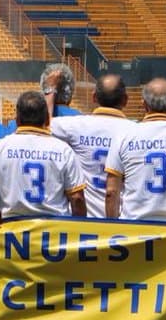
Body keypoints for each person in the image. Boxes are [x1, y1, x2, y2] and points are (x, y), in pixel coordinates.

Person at [0, 90, 86, 221]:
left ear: (17, 119)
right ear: (47, 119)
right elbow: (77, 198)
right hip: (53, 232)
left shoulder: (1, 146)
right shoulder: (64, 150)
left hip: (13, 231)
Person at [103, 78, 166, 223]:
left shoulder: (124, 136)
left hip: (134, 230)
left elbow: (111, 192)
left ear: (144, 104)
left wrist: (113, 227)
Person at [50, 74, 133, 218]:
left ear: (94, 97)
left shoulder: (76, 125)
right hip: (121, 222)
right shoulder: (134, 131)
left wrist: (50, 89)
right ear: (125, 100)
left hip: (86, 220)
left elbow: (42, 123)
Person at [6, 63, 81, 132]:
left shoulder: (21, 122)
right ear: (70, 90)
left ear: (43, 88)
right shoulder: (80, 121)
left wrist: (50, 89)